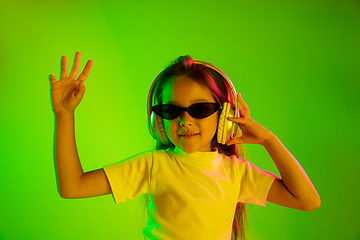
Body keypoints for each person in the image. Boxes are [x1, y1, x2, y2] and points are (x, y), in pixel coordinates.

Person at [48, 52, 321, 240]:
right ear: (157, 121)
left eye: (200, 109)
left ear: (225, 116)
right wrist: (64, 115)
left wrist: (268, 141)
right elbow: (73, 186)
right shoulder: (153, 165)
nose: (185, 120)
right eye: (171, 110)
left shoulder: (237, 173)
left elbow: (307, 200)